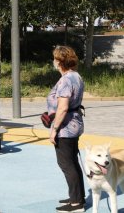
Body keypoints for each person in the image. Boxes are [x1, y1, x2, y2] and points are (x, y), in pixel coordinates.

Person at [47, 45, 86, 213]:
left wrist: (54, 129)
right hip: (75, 123)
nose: (54, 62)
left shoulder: (65, 80)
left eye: (55, 59)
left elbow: (62, 108)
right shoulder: (76, 76)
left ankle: (76, 204)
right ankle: (77, 196)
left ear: (60, 62)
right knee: (73, 162)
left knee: (65, 163)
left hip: (66, 127)